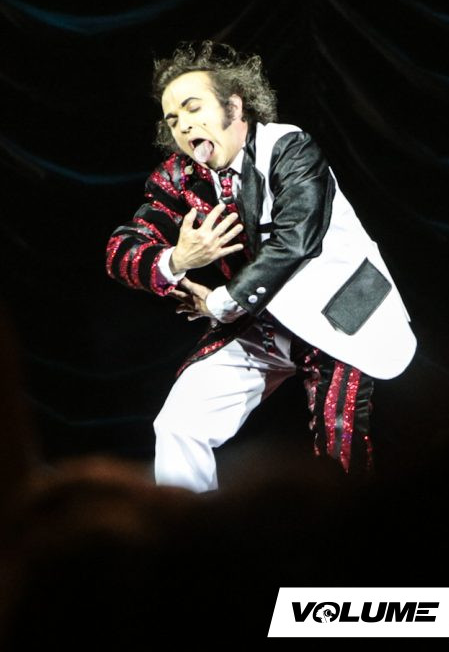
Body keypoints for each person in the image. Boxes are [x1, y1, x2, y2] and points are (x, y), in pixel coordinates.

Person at [105, 40, 416, 492]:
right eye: (173, 119)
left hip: (339, 314)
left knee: (338, 450)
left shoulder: (289, 148)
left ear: (234, 106)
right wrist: (177, 259)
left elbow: (296, 241)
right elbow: (122, 250)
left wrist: (219, 302)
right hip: (262, 322)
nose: (183, 125)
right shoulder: (181, 176)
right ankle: (184, 530)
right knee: (179, 425)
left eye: (193, 108)